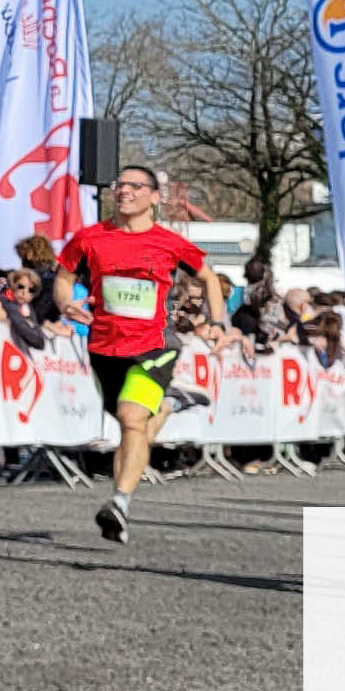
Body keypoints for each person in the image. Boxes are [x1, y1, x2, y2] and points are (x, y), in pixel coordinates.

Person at [57, 168, 217, 541]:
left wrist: (218, 322)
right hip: (104, 345)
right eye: (120, 185)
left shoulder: (170, 242)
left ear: (155, 197)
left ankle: (120, 503)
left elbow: (208, 278)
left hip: (155, 345)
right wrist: (66, 304)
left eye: (134, 185)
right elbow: (63, 277)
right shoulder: (89, 238)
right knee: (132, 425)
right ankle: (172, 403)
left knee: (131, 420)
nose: (124, 191)